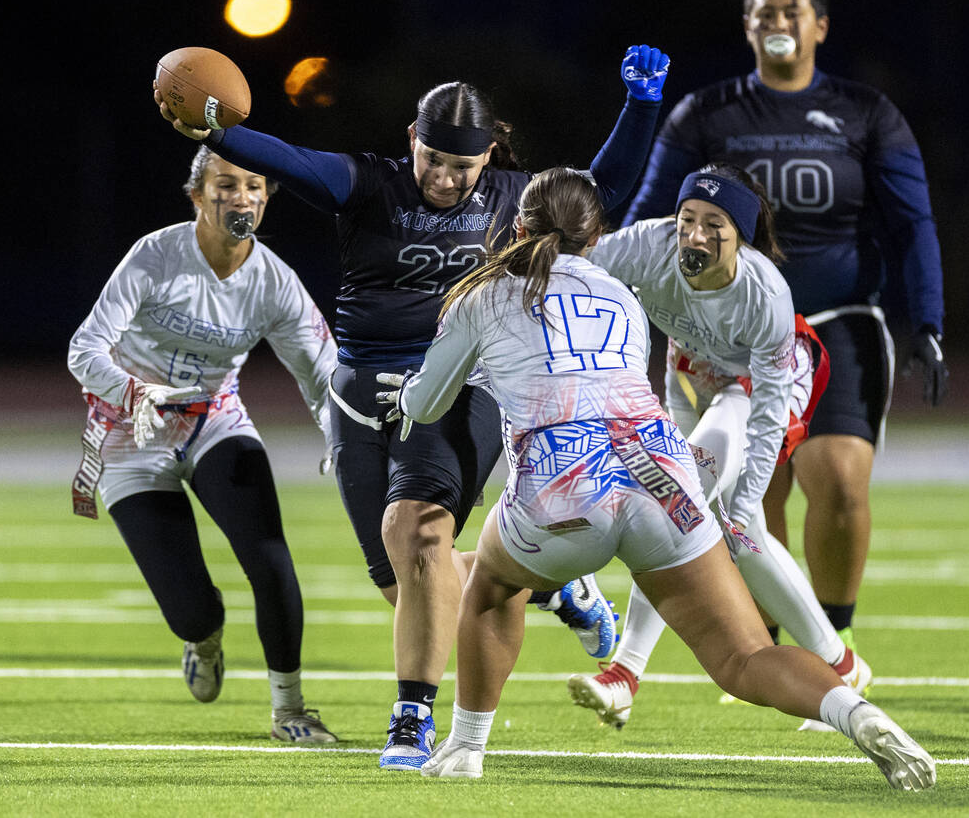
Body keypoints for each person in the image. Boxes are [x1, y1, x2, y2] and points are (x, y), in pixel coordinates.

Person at [154, 45, 671, 769]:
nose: (443, 176)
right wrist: (215, 131)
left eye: (461, 165)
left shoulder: (511, 200)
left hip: (461, 389)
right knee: (405, 583)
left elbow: (599, 189)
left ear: (489, 155)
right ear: (411, 142)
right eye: (432, 158)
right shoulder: (370, 184)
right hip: (361, 396)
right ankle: (555, 589)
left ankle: (411, 720)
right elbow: (292, 159)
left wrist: (642, 106)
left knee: (420, 533)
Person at [376, 167, 935, 791]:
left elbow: (427, 404)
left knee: (491, 583)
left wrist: (407, 391)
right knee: (745, 658)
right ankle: (853, 713)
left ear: (518, 228)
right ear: (596, 238)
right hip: (663, 478)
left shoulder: (483, 294)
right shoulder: (622, 297)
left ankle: (466, 747)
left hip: (566, 489)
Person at [623, 0, 948, 652]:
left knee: (838, 483)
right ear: (746, 26)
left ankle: (834, 641)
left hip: (837, 324)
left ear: (820, 26)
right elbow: (648, 216)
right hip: (730, 335)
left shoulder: (866, 113)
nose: (777, 23)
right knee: (753, 499)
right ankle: (769, 651)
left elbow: (912, 221)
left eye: (792, 11)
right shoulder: (706, 114)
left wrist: (928, 319)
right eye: (763, 13)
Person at [567, 163, 869, 730]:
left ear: (741, 235)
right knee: (737, 531)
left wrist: (751, 494)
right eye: (687, 220)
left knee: (676, 501)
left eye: (715, 225)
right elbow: (567, 275)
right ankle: (841, 663)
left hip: (762, 385)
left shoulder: (765, 294)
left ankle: (625, 674)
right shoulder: (644, 246)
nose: (695, 236)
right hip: (687, 377)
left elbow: (769, 411)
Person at [67, 145, 339, 744]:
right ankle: (203, 637)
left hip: (214, 421)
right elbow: (84, 349)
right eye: (225, 185)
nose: (241, 197)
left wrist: (341, 437)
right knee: (190, 609)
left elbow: (323, 375)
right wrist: (134, 390)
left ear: (267, 198)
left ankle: (290, 710)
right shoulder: (155, 255)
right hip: (131, 433)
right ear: (196, 195)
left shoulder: (273, 280)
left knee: (271, 562)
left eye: (253, 187)